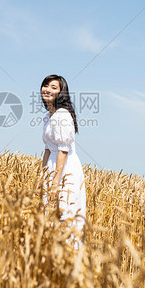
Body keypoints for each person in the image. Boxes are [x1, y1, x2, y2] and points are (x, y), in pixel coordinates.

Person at [40, 74, 86, 236]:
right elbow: (47, 148)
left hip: (65, 167)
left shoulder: (62, 115)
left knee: (64, 211)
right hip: (52, 166)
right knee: (48, 212)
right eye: (46, 85)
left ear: (60, 93)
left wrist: (55, 181)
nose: (47, 89)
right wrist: (43, 174)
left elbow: (63, 150)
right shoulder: (48, 116)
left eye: (53, 87)